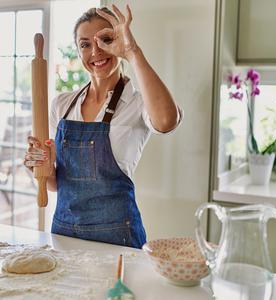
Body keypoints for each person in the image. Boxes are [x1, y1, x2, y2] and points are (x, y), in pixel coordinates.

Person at [24, 5, 183, 248]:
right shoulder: (63, 105)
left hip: (118, 241)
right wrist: (38, 165)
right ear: (78, 52)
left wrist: (132, 51)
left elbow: (166, 121)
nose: (96, 51)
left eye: (106, 40)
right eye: (85, 44)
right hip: (65, 237)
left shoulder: (138, 103)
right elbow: (56, 185)